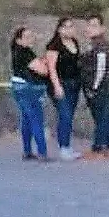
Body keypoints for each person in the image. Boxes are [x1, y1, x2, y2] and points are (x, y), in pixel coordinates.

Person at [11, 26, 51, 161]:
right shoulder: (25, 53)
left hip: (19, 88)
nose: (30, 39)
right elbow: (42, 70)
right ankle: (42, 151)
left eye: (31, 36)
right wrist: (45, 63)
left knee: (27, 119)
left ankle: (27, 150)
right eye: (27, 37)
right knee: (36, 119)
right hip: (28, 89)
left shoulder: (18, 52)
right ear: (19, 40)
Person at [45, 17, 83, 161]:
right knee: (65, 114)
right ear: (59, 29)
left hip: (74, 84)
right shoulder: (54, 46)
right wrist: (57, 86)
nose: (69, 29)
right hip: (60, 84)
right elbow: (52, 68)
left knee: (68, 116)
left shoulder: (75, 43)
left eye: (71, 26)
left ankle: (67, 145)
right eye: (65, 27)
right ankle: (64, 148)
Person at [81, 14, 109, 159]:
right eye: (89, 25)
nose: (90, 28)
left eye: (94, 25)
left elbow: (100, 69)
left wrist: (93, 88)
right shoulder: (94, 44)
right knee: (105, 117)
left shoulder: (101, 46)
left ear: (102, 28)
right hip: (95, 86)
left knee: (102, 117)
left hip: (98, 87)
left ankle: (98, 148)